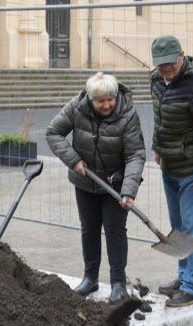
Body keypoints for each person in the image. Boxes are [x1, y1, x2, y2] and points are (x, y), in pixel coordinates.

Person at [45, 72, 145, 303]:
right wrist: (73, 159)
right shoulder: (76, 107)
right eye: (101, 101)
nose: (107, 104)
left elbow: (135, 154)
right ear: (90, 98)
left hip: (116, 183)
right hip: (85, 181)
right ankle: (90, 278)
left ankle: (118, 283)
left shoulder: (127, 113)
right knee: (89, 229)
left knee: (115, 231)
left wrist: (128, 190)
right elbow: (53, 132)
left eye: (110, 99)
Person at [149, 35, 193, 307]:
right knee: (179, 228)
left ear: (182, 56)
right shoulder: (155, 81)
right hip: (170, 166)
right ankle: (183, 277)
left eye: (170, 63)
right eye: (160, 64)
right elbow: (160, 120)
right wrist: (158, 147)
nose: (165, 69)